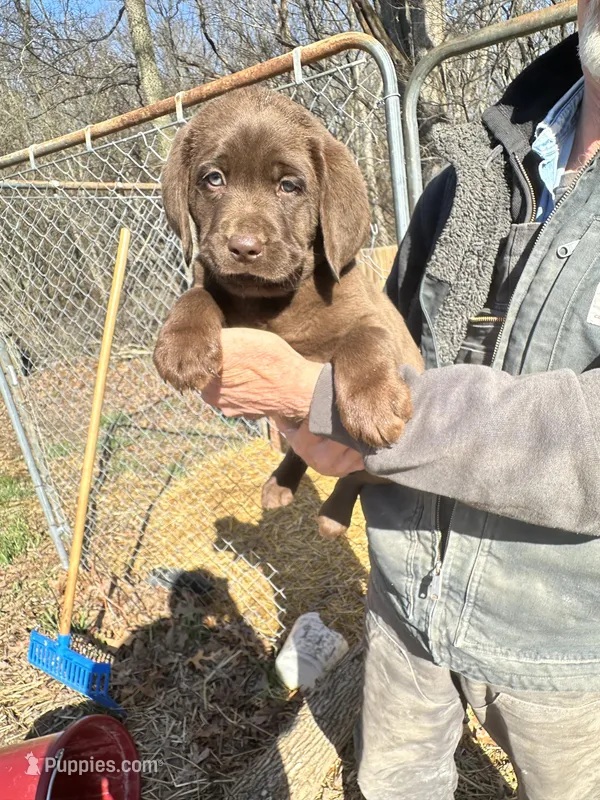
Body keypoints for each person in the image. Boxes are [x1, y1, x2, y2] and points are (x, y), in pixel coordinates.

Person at [201, 1, 600, 797]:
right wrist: (318, 410)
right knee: (391, 783)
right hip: (405, 598)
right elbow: (388, 332)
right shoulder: (478, 167)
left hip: (569, 640)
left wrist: (312, 396)